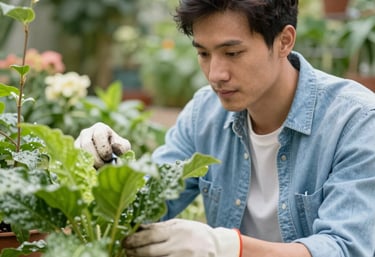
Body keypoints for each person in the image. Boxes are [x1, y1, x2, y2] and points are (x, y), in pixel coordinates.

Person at [74, 0, 375, 256]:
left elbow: (344, 248)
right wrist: (104, 166)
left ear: (284, 41)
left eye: (232, 53)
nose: (215, 74)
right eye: (204, 53)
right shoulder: (204, 113)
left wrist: (229, 246)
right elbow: (148, 205)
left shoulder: (356, 120)